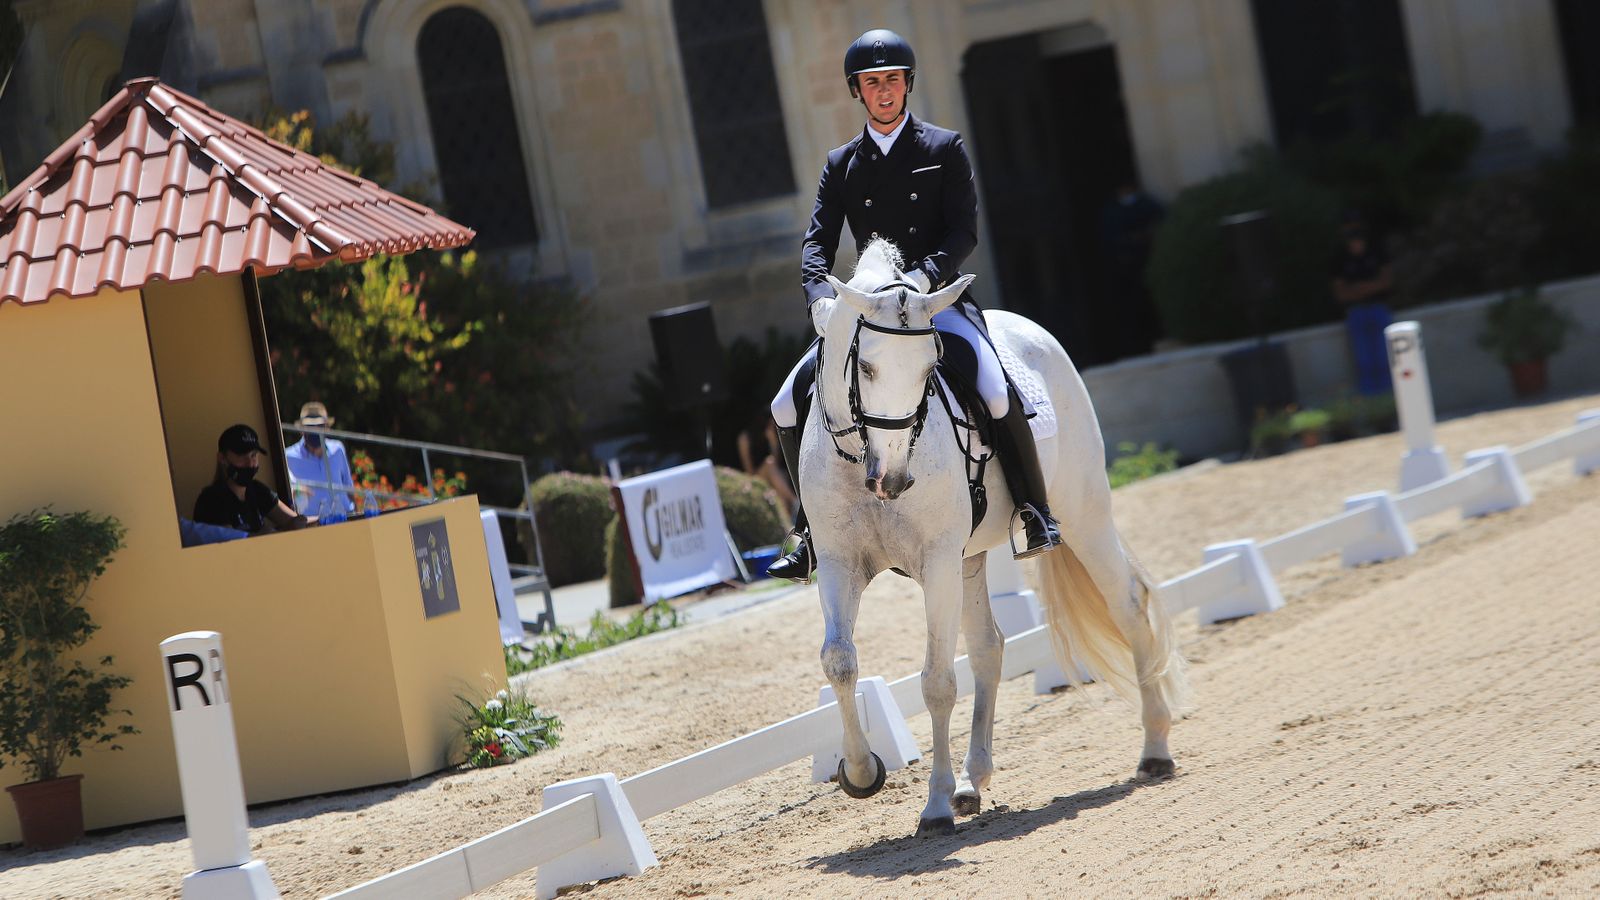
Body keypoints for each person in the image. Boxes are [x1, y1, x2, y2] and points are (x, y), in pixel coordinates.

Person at [766, 28, 1062, 582]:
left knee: (996, 390)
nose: (884, 92)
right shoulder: (842, 164)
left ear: (907, 85)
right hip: (869, 315)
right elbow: (816, 242)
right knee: (786, 404)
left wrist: (925, 277)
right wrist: (820, 297)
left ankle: (1032, 508)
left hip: (936, 303)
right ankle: (807, 529)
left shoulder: (942, 148)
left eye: (893, 82)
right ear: (858, 90)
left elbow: (962, 230)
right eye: (873, 83)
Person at [193, 423, 309, 534]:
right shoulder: (211, 499)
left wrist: (320, 521)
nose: (250, 463)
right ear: (222, 458)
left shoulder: (257, 489)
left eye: (253, 455)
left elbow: (294, 520)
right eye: (241, 455)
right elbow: (227, 543)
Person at [1330, 212, 1395, 396]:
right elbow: (1340, 293)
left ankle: (1391, 404)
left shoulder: (1376, 250)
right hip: (1356, 312)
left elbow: (1386, 281)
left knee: (1385, 359)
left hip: (1379, 309)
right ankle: (1375, 410)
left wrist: (1358, 288)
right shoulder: (1339, 257)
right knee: (1364, 363)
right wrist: (1371, 287)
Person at [285, 401, 357, 517]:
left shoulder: (337, 449)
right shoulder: (288, 457)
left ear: (327, 428)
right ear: (301, 429)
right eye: (310, 426)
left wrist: (357, 517)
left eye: (319, 426)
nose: (315, 430)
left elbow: (349, 487)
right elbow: (286, 494)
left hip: (344, 518)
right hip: (313, 525)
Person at [737, 412, 797, 520]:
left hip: (772, 476)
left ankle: (788, 525)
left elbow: (777, 463)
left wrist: (772, 441)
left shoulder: (770, 434)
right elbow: (749, 471)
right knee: (769, 463)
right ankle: (795, 501)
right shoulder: (745, 438)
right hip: (755, 478)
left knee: (780, 494)